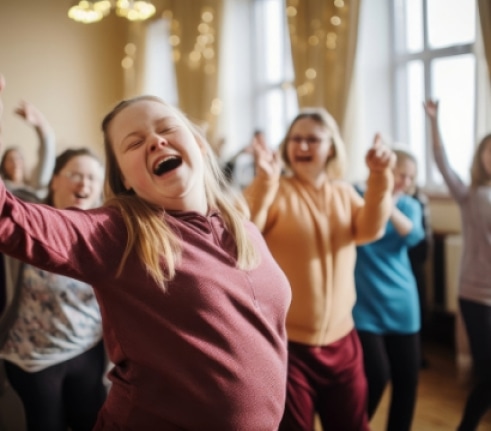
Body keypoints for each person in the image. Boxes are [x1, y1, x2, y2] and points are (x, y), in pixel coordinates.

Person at [0, 74, 291, 431]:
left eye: (166, 128)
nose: (155, 140)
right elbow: (8, 220)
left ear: (198, 144)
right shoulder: (118, 232)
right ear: (125, 180)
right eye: (134, 143)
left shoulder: (242, 227)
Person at [243, 107, 395, 431]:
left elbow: (370, 230)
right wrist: (265, 182)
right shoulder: (275, 190)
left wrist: (380, 176)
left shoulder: (343, 191)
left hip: (343, 340)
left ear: (332, 148)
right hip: (289, 346)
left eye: (312, 139)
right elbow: (245, 236)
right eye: (295, 139)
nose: (302, 146)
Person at [0, 147, 106, 431]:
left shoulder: (107, 231)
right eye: (74, 174)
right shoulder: (29, 219)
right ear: (55, 179)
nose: (84, 183)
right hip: (31, 357)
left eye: (92, 177)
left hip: (87, 350)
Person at [424, 99, 491, 431]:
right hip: (476, 295)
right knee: (488, 376)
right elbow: (442, 163)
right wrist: (434, 123)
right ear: (481, 157)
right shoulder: (470, 194)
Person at [353, 148, 425, 431]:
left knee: (407, 381)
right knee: (377, 374)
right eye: (400, 174)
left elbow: (415, 235)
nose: (404, 182)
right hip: (363, 304)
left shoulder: (409, 205)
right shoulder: (357, 198)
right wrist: (378, 197)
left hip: (402, 302)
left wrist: (389, 203)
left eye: (410, 177)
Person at [0, 100, 56, 201]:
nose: (15, 163)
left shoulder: (36, 185)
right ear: (3, 165)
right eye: (10, 160)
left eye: (19, 158)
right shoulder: (3, 186)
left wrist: (40, 123)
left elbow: (47, 155)